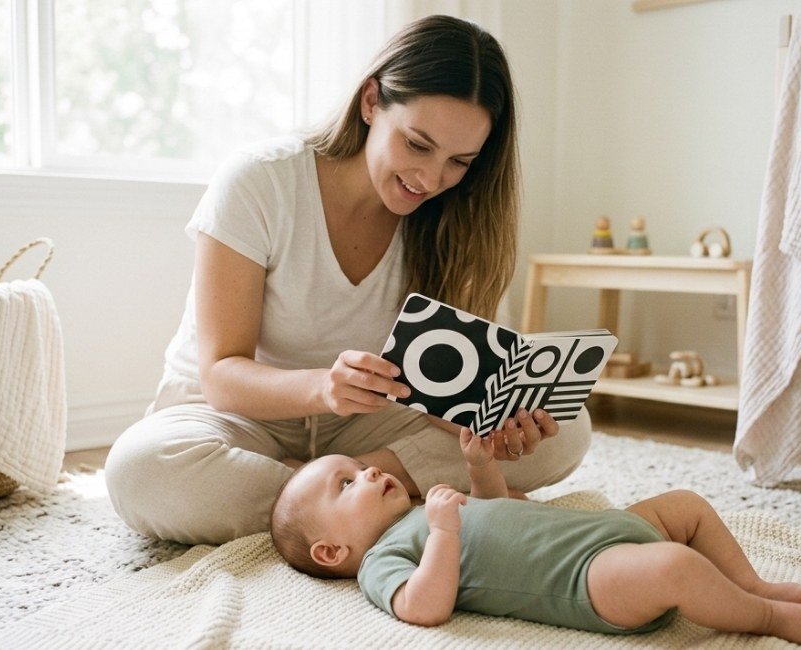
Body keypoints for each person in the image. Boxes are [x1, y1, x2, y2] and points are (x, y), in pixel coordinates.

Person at [104, 14, 593, 545]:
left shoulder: (458, 217)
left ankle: (341, 497)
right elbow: (222, 375)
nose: (430, 180)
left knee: (568, 432)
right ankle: (383, 504)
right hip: (238, 416)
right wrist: (324, 387)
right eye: (417, 144)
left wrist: (495, 424)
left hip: (372, 426)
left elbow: (446, 397)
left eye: (459, 162)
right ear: (370, 102)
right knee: (142, 471)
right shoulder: (259, 182)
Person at [270, 429, 801, 646]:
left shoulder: (424, 505)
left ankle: (753, 585)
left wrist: (480, 469)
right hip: (586, 579)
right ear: (331, 551)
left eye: (356, 466)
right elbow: (424, 608)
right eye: (345, 484)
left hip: (603, 529)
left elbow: (497, 509)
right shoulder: (383, 560)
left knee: (685, 506)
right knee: (672, 568)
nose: (367, 472)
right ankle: (764, 619)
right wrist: (442, 530)